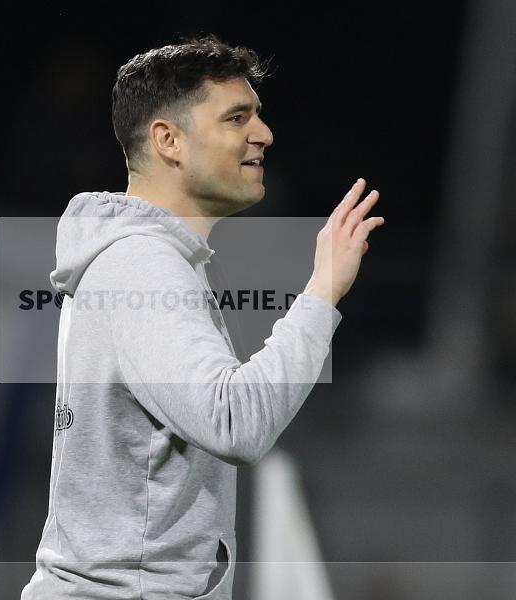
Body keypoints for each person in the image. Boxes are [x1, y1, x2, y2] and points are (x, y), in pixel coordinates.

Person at [21, 34, 384, 599]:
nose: (263, 134)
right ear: (168, 140)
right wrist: (322, 292)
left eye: (257, 116)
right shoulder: (142, 262)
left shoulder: (140, 256)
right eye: (236, 118)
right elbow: (234, 422)